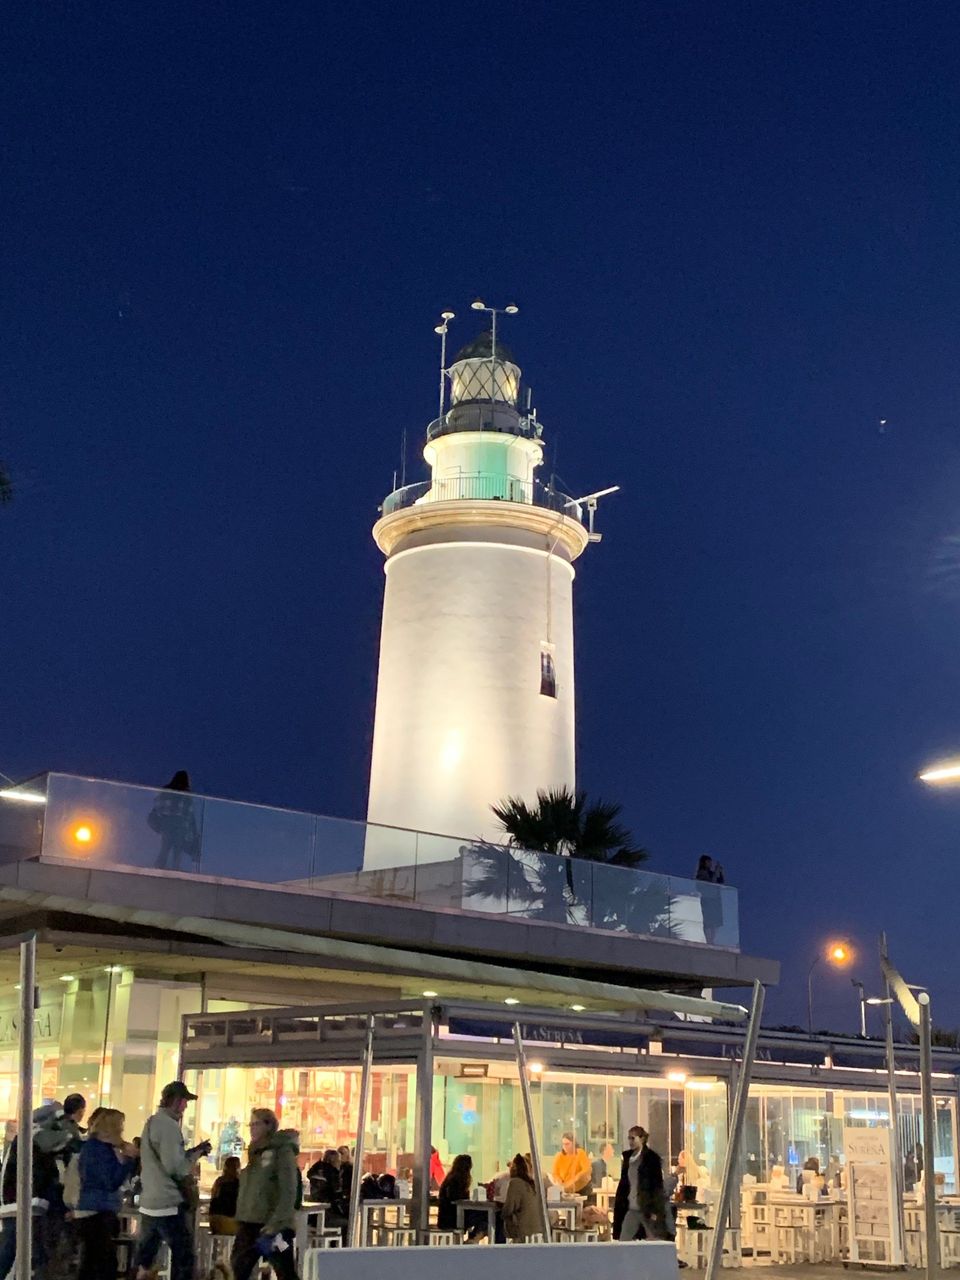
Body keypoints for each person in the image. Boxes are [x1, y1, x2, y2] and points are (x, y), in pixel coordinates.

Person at [134, 1081, 211, 1280]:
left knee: (145, 1256)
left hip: (150, 1199)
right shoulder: (168, 1126)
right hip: (167, 1202)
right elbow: (175, 1167)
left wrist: (193, 1152)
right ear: (176, 1101)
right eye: (185, 1101)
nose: (186, 1107)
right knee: (184, 1256)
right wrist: (194, 1156)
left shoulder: (151, 1122)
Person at [0, 1101, 75, 1280]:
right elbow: (68, 1138)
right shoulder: (37, 1136)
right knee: (18, 1250)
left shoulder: (28, 1139)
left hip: (20, 1202)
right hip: (23, 1202)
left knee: (21, 1250)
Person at [231, 1109, 301, 1280]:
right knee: (239, 1268)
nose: (252, 1128)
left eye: (256, 1124)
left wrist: (276, 1223)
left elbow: (289, 1190)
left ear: (269, 1125)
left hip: (272, 1225)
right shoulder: (254, 1153)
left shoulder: (282, 1152)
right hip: (249, 1222)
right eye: (251, 1124)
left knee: (284, 1270)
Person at [75, 1108, 137, 1280]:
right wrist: (128, 1161)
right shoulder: (100, 1150)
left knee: (92, 1261)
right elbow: (111, 1181)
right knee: (102, 1263)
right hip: (97, 1211)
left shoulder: (92, 1148)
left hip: (92, 1209)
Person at [613, 1126, 672, 1243]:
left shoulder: (651, 1159)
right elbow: (625, 1183)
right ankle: (623, 1260)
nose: (630, 1142)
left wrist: (655, 1209)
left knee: (655, 1239)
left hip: (646, 1207)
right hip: (632, 1207)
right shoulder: (627, 1158)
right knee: (624, 1239)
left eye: (633, 1138)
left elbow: (656, 1186)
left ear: (642, 1139)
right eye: (629, 1138)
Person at [148, 771, 200, 871]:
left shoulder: (166, 791)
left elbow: (158, 807)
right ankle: (175, 869)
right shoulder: (186, 794)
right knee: (177, 848)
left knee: (165, 846)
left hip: (167, 823)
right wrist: (192, 831)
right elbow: (189, 813)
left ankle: (159, 867)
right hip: (180, 825)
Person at [438, 1155, 486, 1238]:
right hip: (453, 1218)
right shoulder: (456, 1181)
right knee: (483, 1216)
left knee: (481, 1217)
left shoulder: (450, 1179)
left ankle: (473, 1237)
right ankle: (474, 1237)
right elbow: (458, 1200)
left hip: (446, 1217)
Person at [502, 1154, 541, 1243]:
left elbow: (508, 1209)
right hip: (537, 1227)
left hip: (522, 1228)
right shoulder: (531, 1184)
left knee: (497, 1222)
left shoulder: (515, 1183)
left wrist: (501, 1210)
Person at [209, 1156, 241, 1235]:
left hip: (214, 1221)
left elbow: (213, 1197)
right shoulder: (238, 1183)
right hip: (229, 1221)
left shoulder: (219, 1181)